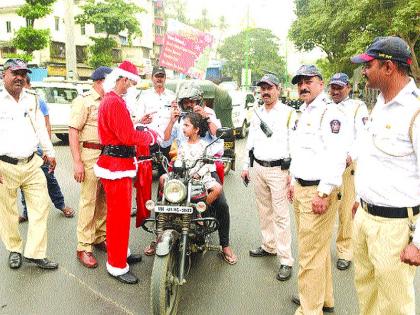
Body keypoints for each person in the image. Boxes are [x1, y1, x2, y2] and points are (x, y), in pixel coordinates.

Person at [350, 36, 420, 314]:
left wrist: (418, 242)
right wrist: (359, 197)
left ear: (389, 67)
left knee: (394, 304)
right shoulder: (379, 103)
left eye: (369, 65)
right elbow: (371, 158)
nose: (364, 71)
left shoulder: (415, 112)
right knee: (366, 294)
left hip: (395, 227)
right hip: (365, 218)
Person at [287, 65, 349, 314]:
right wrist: (293, 181)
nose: (303, 86)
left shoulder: (329, 113)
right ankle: (324, 299)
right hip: (302, 188)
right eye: (300, 82)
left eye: (308, 81)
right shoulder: (302, 112)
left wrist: (324, 193)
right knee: (316, 250)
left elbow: (337, 155)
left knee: (308, 256)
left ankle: (308, 309)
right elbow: (300, 152)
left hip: (318, 192)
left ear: (321, 84)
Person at [94, 60, 157, 284]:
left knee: (117, 217)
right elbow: (127, 136)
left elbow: (122, 128)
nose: (130, 86)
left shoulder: (112, 100)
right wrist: (149, 136)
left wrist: (138, 124)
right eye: (130, 82)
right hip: (116, 166)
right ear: (120, 79)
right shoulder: (114, 102)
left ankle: (122, 254)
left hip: (116, 163)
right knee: (118, 219)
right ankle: (117, 266)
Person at [160, 83, 237, 265]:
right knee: (162, 192)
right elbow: (165, 143)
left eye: (191, 101)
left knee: (222, 205)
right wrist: (171, 121)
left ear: (199, 101)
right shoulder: (178, 117)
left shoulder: (207, 113)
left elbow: (218, 142)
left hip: (204, 167)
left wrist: (206, 118)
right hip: (181, 168)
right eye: (185, 101)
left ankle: (224, 244)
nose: (188, 104)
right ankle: (160, 234)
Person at [0, 58, 58, 270]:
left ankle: (35, 253)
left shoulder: (32, 98)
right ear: (3, 75)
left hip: (32, 162)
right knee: (8, 212)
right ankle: (14, 249)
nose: (20, 77)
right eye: (15, 73)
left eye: (23, 74)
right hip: (4, 166)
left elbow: (41, 128)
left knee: (40, 208)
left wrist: (50, 153)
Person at [241, 73, 294, 281]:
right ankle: (269, 245)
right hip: (259, 169)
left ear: (278, 89)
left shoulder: (289, 113)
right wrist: (246, 165)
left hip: (279, 170)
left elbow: (294, 143)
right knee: (264, 211)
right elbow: (251, 141)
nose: (265, 92)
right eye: (262, 88)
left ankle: (285, 259)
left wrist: (293, 173)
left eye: (269, 88)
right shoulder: (256, 113)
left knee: (281, 215)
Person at [69, 66, 112, 268]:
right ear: (99, 81)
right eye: (109, 80)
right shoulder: (84, 101)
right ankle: (84, 246)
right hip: (90, 154)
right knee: (89, 200)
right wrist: (77, 162)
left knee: (103, 198)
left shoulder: (109, 101)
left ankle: (99, 237)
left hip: (107, 154)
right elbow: (73, 131)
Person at [328, 73, 369, 270]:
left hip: (347, 167)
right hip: (326, 166)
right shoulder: (324, 106)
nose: (335, 91)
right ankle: (321, 249)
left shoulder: (357, 107)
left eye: (340, 88)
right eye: (333, 87)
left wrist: (350, 157)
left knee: (345, 210)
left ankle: (345, 251)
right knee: (324, 208)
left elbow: (363, 137)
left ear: (348, 88)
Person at [20, 76, 75, 223]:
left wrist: (46, 149)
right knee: (24, 184)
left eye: (24, 83)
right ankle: (26, 212)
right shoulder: (12, 103)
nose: (21, 86)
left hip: (38, 150)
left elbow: (46, 125)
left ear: (29, 85)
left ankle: (61, 205)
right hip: (21, 152)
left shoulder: (37, 101)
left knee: (49, 178)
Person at [130, 66, 175, 173]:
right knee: (145, 175)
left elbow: (176, 117)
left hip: (167, 141)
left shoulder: (172, 96)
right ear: (152, 78)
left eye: (162, 76)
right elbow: (138, 118)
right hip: (150, 141)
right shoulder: (144, 96)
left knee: (166, 175)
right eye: (157, 76)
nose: (159, 79)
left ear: (165, 78)